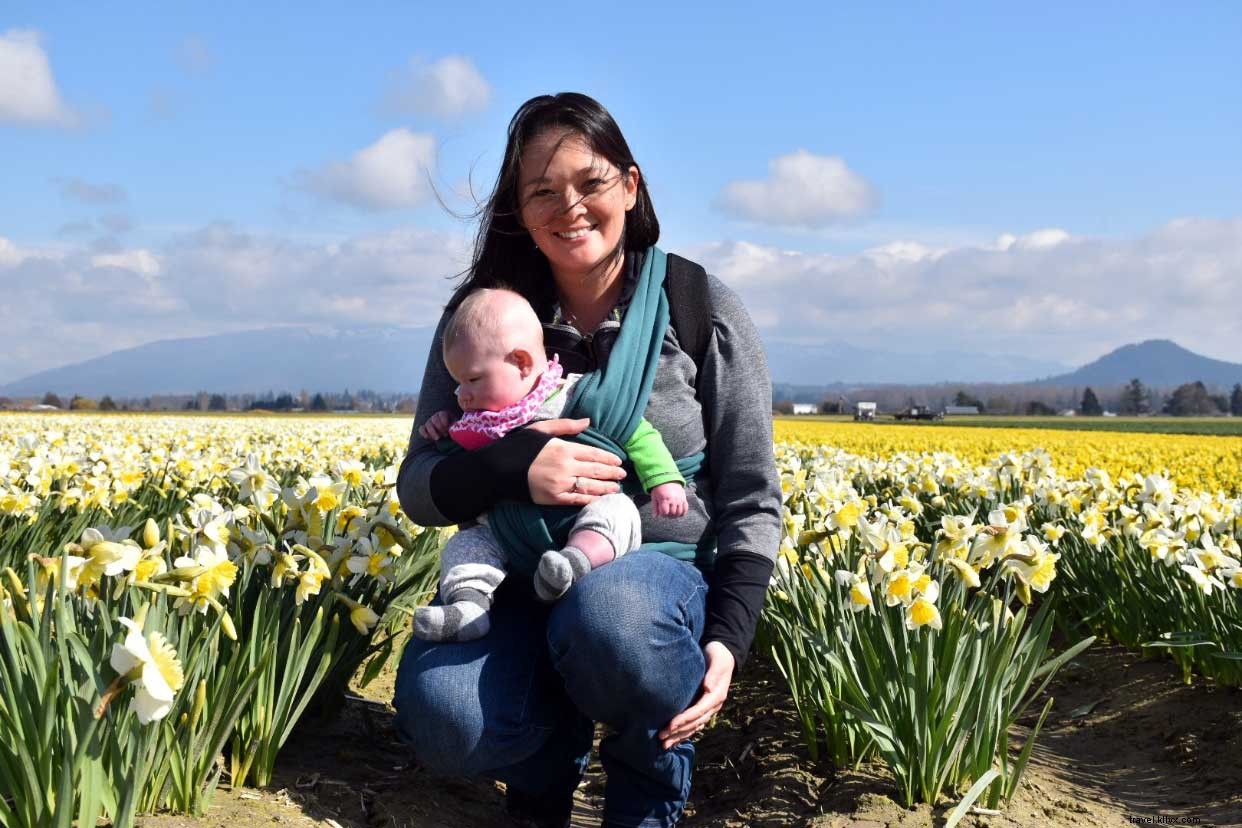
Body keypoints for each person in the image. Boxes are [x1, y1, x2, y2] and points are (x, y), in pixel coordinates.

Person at [392, 92, 781, 828]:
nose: (568, 206)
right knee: (444, 711)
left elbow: (753, 496)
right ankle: (545, 769)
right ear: (519, 210)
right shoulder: (482, 322)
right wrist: (512, 469)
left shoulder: (700, 306)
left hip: (651, 582)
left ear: (631, 187)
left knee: (612, 617)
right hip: (516, 567)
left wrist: (728, 638)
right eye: (542, 191)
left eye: (590, 182)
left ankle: (646, 772)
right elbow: (418, 485)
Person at [411, 286, 688, 641]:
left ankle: (576, 561)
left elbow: (637, 432)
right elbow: (450, 465)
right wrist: (442, 429)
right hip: (508, 540)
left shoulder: (577, 395)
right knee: (465, 545)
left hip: (580, 518)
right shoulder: (477, 421)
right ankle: (469, 606)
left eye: (474, 379)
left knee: (617, 511)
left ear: (522, 362)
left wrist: (664, 480)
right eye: (458, 383)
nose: (462, 394)